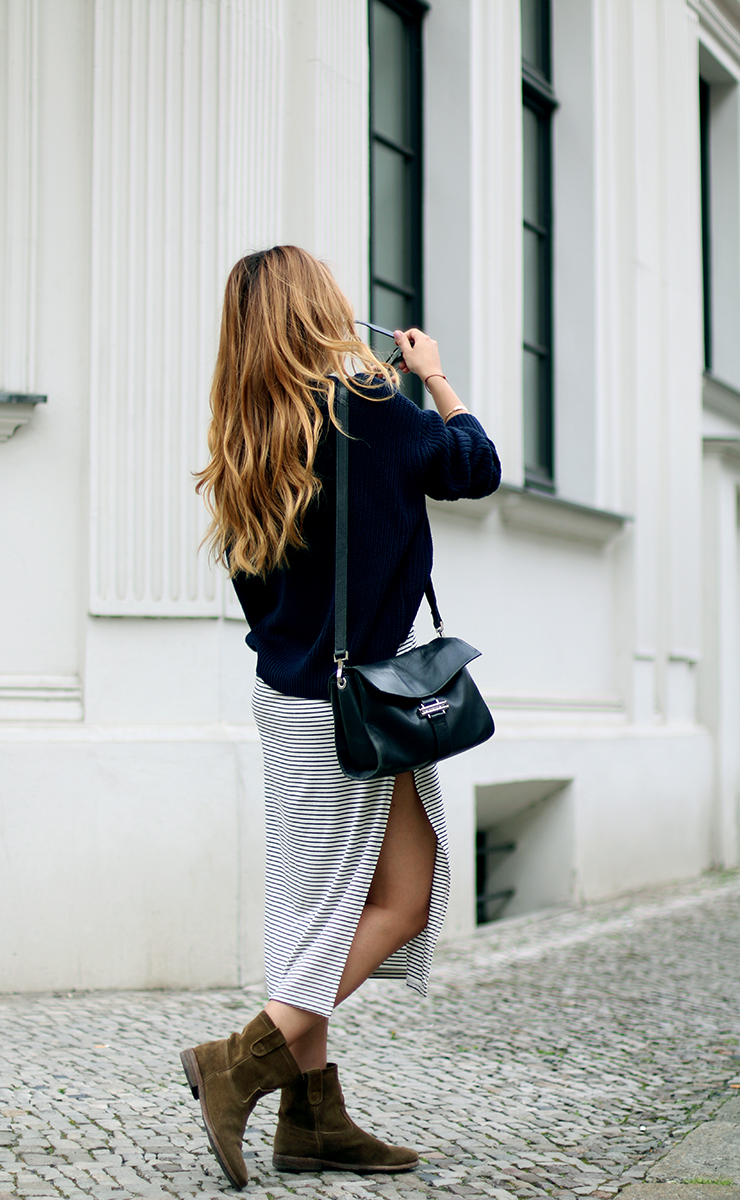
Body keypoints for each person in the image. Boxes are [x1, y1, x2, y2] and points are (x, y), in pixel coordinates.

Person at [182, 245, 501, 1190]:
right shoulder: (366, 406)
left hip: (293, 699)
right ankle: (238, 1063)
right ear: (320, 309)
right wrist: (433, 375)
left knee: (328, 903)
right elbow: (473, 468)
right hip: (358, 703)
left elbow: (261, 595)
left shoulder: (250, 432)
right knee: (392, 903)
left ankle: (313, 1121)